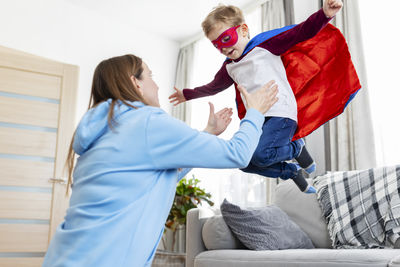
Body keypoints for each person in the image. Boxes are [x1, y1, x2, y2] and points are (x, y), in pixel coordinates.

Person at [42, 54, 278, 267]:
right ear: (135, 83)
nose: (156, 85)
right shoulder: (146, 121)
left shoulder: (103, 132)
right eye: (151, 76)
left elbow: (158, 177)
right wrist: (255, 112)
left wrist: (207, 133)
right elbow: (238, 153)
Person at [168, 0, 358, 194]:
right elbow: (213, 87)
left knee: (260, 154)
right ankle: (290, 171)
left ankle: (295, 149)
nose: (223, 48)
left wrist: (325, 14)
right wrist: (188, 94)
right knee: (243, 160)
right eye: (216, 45)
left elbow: (301, 31)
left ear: (243, 30)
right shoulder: (229, 67)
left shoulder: (264, 45)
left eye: (225, 39)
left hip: (280, 112)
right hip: (256, 119)